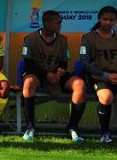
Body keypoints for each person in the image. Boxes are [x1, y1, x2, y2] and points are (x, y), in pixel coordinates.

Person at [22, 10, 86, 142]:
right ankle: (30, 126)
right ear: (46, 23)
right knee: (28, 83)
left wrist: (61, 70)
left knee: (79, 84)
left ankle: (73, 127)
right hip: (38, 74)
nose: (60, 25)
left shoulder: (63, 39)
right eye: (57, 23)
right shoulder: (30, 39)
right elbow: (28, 64)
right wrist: (46, 74)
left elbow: (64, 60)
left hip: (56, 75)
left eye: (60, 23)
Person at [80, 6, 117, 145]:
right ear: (99, 19)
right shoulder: (88, 38)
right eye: (105, 19)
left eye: (111, 20)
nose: (108, 22)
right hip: (100, 78)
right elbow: (85, 62)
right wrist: (107, 75)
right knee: (106, 98)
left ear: (115, 21)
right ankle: (105, 132)